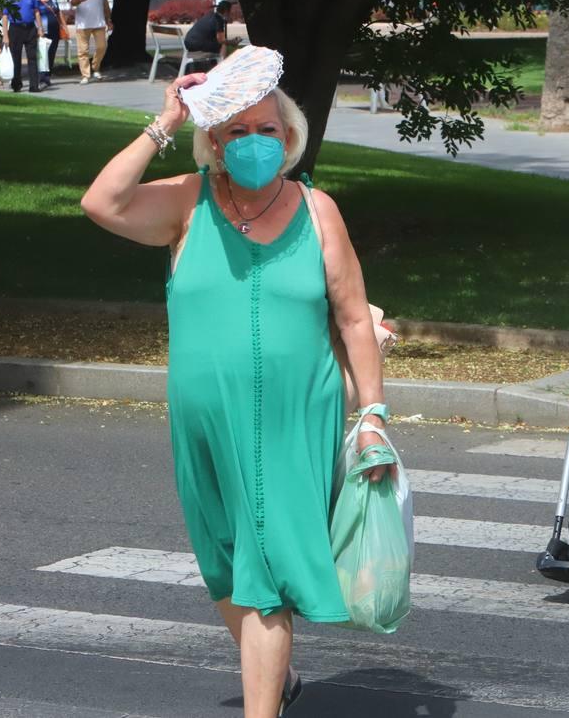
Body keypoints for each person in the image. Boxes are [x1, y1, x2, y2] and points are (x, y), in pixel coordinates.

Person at [80, 67, 390, 718]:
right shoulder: (185, 204)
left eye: (267, 129)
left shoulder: (318, 211)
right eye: (237, 131)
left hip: (293, 415)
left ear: (290, 136)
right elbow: (101, 203)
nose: (254, 141)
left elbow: (356, 317)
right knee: (222, 562)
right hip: (201, 417)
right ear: (214, 143)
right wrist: (164, 122)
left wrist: (372, 415)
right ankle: (279, 676)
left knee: (266, 576)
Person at [0, 0, 47, 93]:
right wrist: (5, 35)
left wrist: (40, 28)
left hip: (30, 28)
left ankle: (34, 86)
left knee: (32, 58)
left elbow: (36, 12)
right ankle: (16, 84)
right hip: (15, 29)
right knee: (16, 58)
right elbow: (5, 17)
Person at [68, 0, 112, 83]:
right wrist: (78, 0)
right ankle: (85, 75)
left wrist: (109, 19)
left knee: (102, 47)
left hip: (99, 22)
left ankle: (95, 67)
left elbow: (105, 2)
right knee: (83, 50)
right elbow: (72, 1)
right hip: (82, 23)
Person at [35, 0, 63, 87]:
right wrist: (39, 28)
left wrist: (64, 26)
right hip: (42, 31)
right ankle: (42, 77)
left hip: (54, 30)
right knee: (43, 54)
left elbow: (58, 12)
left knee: (51, 54)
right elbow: (34, 13)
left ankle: (48, 77)